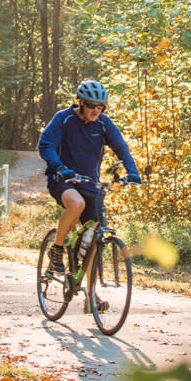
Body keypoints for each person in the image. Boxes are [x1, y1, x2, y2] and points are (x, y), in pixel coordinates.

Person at [38, 80, 141, 273]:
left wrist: (133, 171)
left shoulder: (103, 123)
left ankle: (90, 296)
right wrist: (59, 167)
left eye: (100, 106)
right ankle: (57, 249)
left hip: (90, 183)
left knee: (93, 239)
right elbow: (46, 145)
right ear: (81, 103)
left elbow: (120, 146)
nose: (96, 110)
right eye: (91, 106)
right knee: (77, 204)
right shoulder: (64, 119)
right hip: (63, 180)